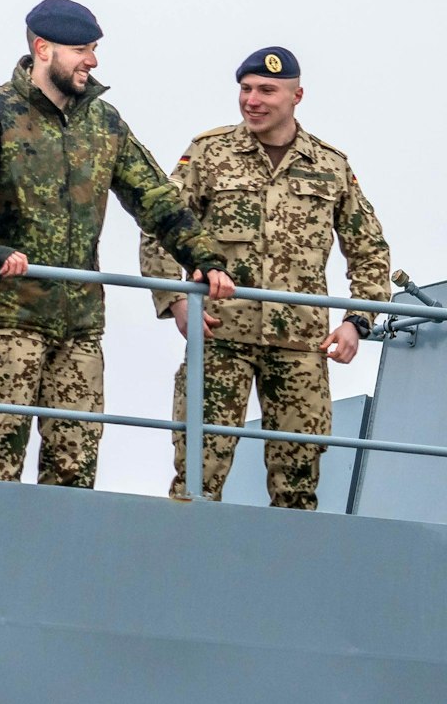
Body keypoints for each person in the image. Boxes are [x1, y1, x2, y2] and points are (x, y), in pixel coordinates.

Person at [0, 0, 234, 487]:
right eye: (81, 50)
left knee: (75, 465)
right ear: (42, 49)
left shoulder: (104, 123)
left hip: (80, 325)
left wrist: (202, 258)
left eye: (93, 49)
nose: (91, 61)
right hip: (11, 316)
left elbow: (154, 195)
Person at [141, 47, 390, 508]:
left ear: (297, 95)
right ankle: (181, 567)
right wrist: (174, 301)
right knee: (199, 470)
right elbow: (161, 226)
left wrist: (357, 321)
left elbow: (369, 251)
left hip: (301, 343)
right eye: (246, 89)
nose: (252, 100)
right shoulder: (209, 153)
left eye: (266, 91)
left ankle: (292, 576)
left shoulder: (330, 166)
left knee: (298, 482)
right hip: (220, 335)